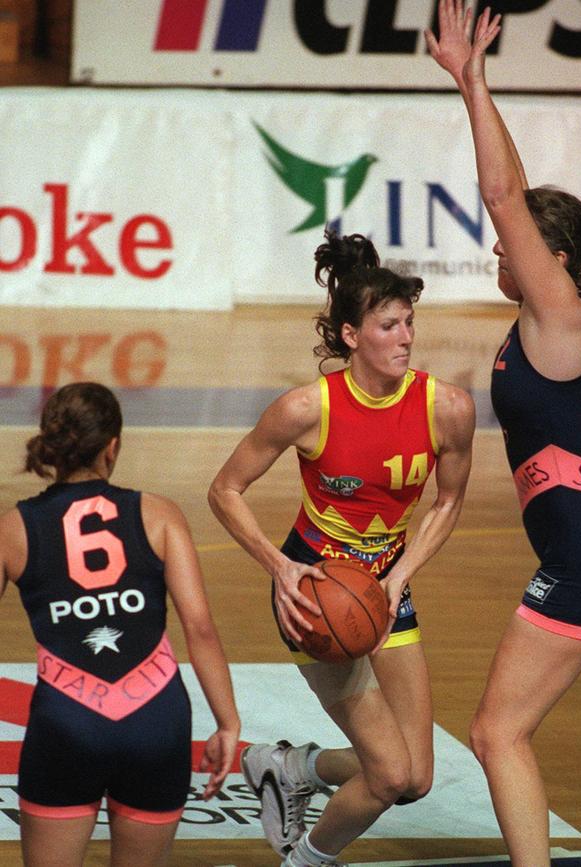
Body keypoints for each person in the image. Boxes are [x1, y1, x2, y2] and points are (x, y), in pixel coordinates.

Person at [426, 4, 581, 866]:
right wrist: (482, 86)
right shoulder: (572, 304)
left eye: (509, 242)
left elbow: (501, 192)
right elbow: (516, 193)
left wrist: (469, 81)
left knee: (496, 731)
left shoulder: (555, 313)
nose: (494, 246)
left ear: (544, 254)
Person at [208, 229, 475, 867]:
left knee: (415, 779)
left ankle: (291, 767)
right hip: (316, 593)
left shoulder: (449, 409)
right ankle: (306, 861)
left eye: (409, 322)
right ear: (352, 336)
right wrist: (280, 568)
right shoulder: (306, 408)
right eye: (388, 326)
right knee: (387, 776)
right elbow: (225, 490)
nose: (406, 338)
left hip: (385, 587)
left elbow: (447, 501)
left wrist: (400, 577)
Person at [0, 382, 240, 867]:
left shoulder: (14, 528)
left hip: (66, 722)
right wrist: (228, 723)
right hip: (157, 720)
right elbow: (201, 629)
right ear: (113, 446)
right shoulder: (160, 514)